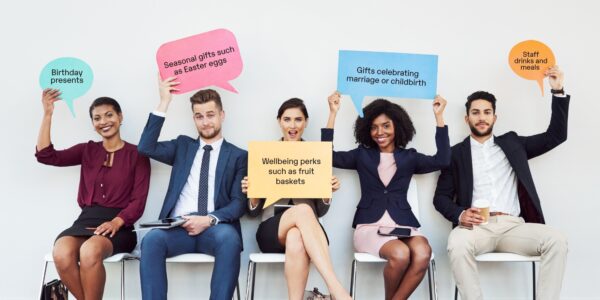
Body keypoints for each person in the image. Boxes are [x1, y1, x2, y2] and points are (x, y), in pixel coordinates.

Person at [433, 66, 569, 300]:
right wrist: (460, 214)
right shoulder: (456, 154)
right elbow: (440, 198)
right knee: (457, 244)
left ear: (495, 117)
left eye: (487, 112)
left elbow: (556, 136)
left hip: (513, 226)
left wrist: (558, 91)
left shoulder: (514, 144)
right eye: (475, 112)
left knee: (556, 240)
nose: (482, 117)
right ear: (467, 118)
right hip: (476, 228)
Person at [324, 92, 449, 300]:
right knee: (400, 254)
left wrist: (439, 117)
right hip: (369, 227)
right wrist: (332, 114)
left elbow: (443, 160)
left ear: (397, 127)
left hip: (403, 225)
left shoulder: (409, 157)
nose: (379, 132)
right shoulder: (362, 155)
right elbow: (325, 156)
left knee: (423, 252)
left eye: (386, 125)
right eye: (374, 127)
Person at [138, 76, 247, 300]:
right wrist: (164, 102)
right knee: (151, 240)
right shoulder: (182, 146)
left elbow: (238, 203)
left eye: (210, 115)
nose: (205, 122)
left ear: (221, 115)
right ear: (194, 119)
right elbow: (145, 147)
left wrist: (208, 219)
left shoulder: (238, 156)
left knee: (230, 239)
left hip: (215, 229)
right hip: (178, 228)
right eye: (199, 116)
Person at [35, 89, 151, 300]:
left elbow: (138, 201)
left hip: (120, 226)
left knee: (89, 252)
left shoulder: (138, 154)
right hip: (86, 220)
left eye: (109, 115)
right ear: (93, 123)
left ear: (120, 117)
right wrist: (48, 113)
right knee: (61, 252)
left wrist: (116, 222)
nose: (103, 121)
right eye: (97, 118)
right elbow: (45, 156)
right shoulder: (87, 150)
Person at [241, 98, 352, 300]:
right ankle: (337, 290)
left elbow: (321, 210)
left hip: (308, 233)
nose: (292, 126)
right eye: (287, 119)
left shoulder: (316, 155)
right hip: (271, 232)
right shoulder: (263, 154)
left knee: (296, 236)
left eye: (298, 120)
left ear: (306, 122)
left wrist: (327, 194)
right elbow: (252, 212)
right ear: (279, 121)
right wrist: (253, 194)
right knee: (302, 210)